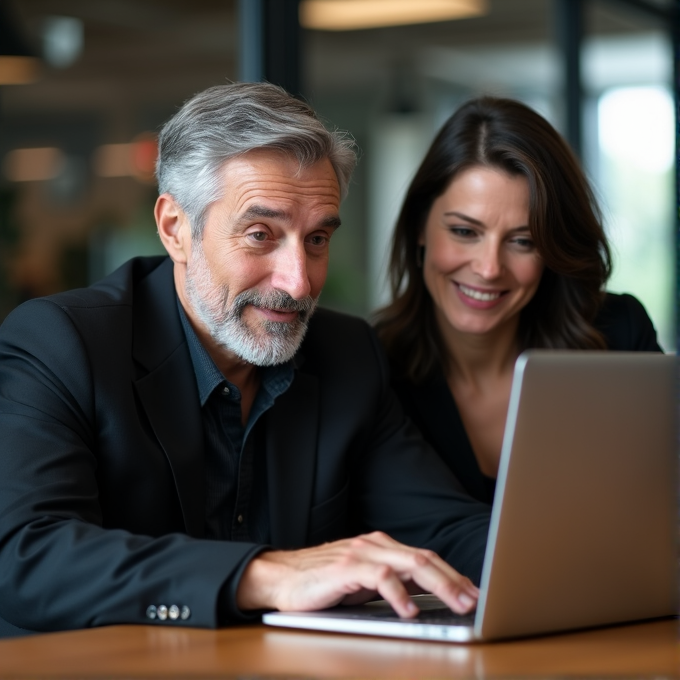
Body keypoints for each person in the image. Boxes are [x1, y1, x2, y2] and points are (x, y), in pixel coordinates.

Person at [0, 83, 491, 638]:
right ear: (175, 229)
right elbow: (27, 554)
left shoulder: (348, 355)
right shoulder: (61, 343)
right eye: (261, 235)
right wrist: (262, 575)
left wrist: (569, 564)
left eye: (317, 239)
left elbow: (446, 528)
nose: (299, 281)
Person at [374, 96, 662, 506]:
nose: (490, 268)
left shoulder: (618, 335)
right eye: (464, 232)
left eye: (523, 241)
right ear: (420, 226)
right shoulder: (372, 371)